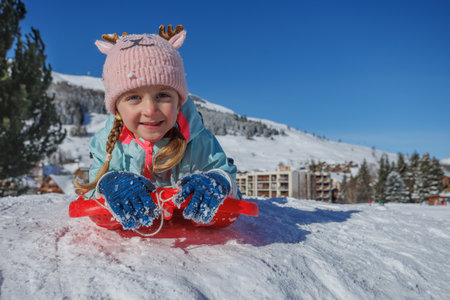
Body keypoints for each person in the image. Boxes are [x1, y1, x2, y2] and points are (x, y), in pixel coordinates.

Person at [75, 25, 237, 230]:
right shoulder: (107, 144)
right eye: (134, 97)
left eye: (163, 95)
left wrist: (219, 181)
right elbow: (90, 195)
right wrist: (107, 183)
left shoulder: (198, 140)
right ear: (117, 108)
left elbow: (229, 181)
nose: (150, 110)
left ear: (179, 101)